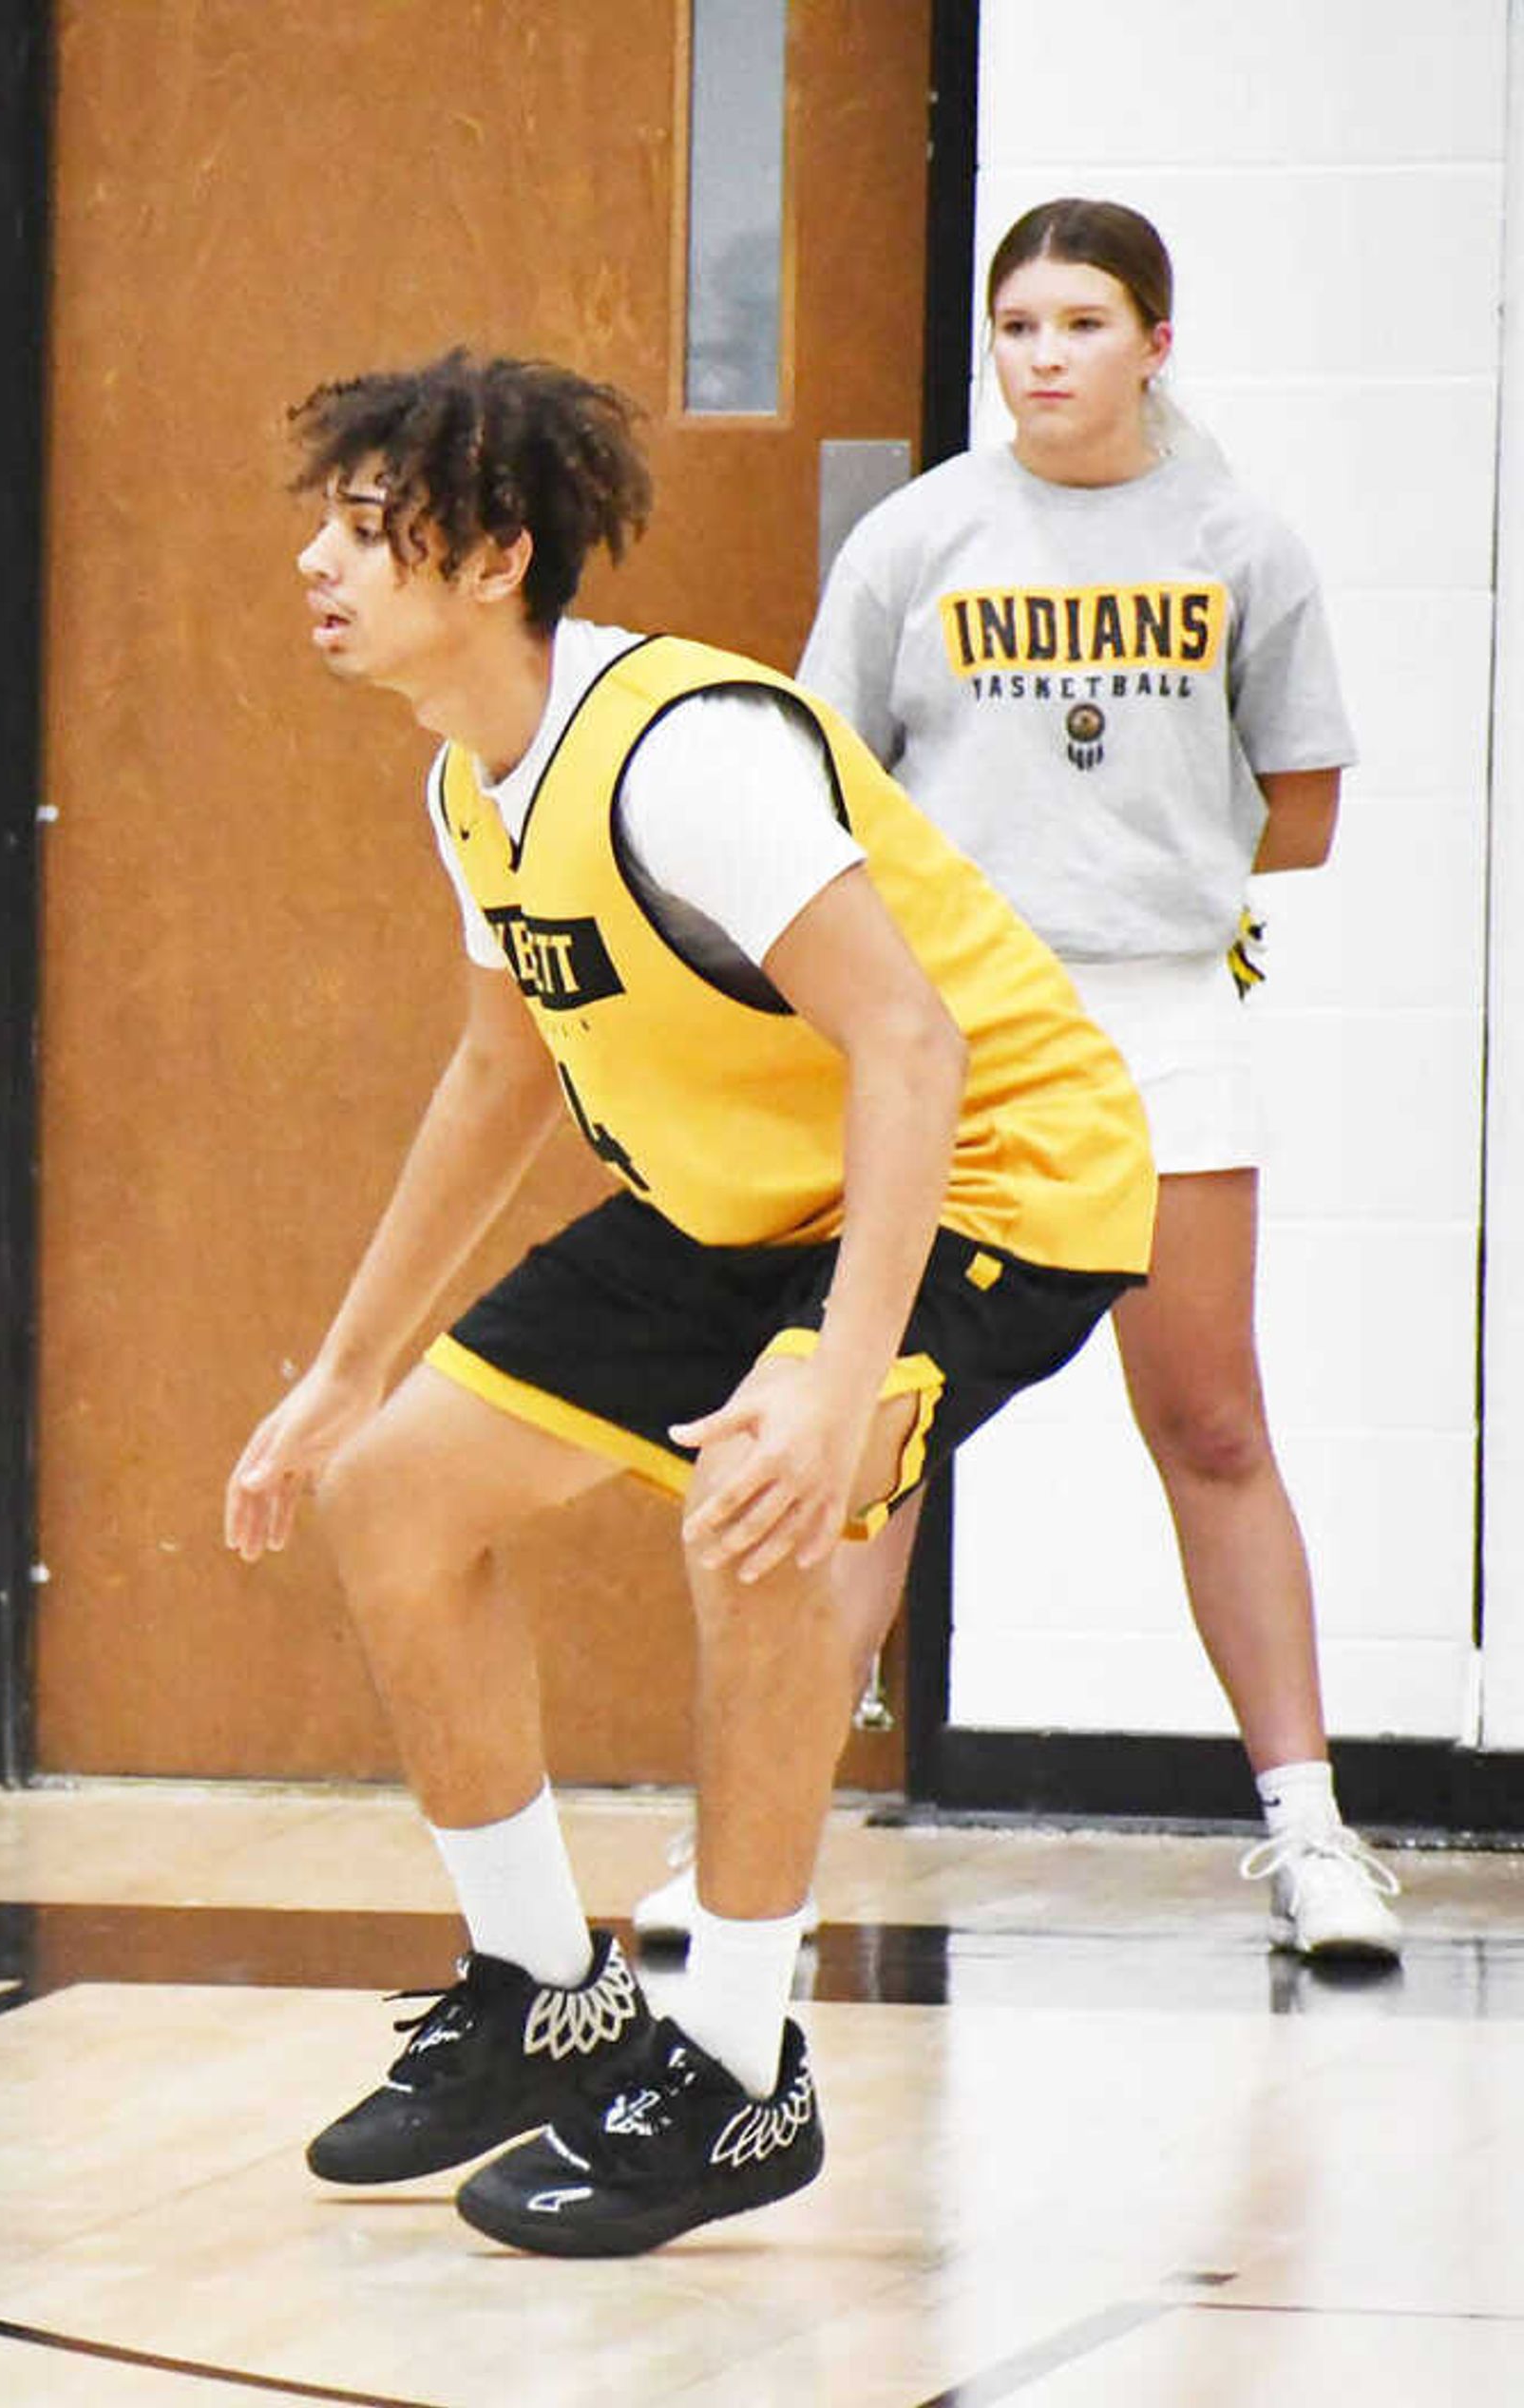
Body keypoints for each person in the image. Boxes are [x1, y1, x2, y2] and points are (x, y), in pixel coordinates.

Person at [225, 353, 1154, 2256]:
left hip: (999, 1171)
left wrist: (839, 1383)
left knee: (759, 1502)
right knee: (393, 1493)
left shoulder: (690, 753)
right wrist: (344, 1368)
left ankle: (737, 2062)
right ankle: (543, 1986)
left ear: (493, 556)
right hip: (746, 1198)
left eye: (364, 527)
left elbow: (909, 1044)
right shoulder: (470, 787)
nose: (315, 558)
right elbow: (501, 1072)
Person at [638, 198, 1396, 1963]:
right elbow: (818, 788)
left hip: (1160, 1021)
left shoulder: (1239, 542)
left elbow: (1304, 805)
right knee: (867, 1430)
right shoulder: (919, 540)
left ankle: (1311, 1836)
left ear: (1155, 343)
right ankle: (755, 1850)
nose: (1044, 355)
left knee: (1211, 1421)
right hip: (952, 1039)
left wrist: (1140, 882)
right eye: (1019, 325)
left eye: (1081, 323)